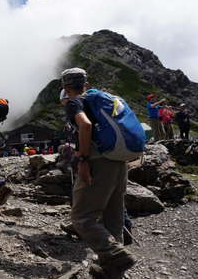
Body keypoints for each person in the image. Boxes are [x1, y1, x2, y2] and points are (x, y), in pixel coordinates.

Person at [62, 68, 136, 278]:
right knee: (114, 215)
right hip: (118, 161)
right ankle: (111, 269)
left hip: (98, 161)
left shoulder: (75, 101)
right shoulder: (105, 99)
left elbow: (85, 125)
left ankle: (114, 254)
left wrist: (83, 160)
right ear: (86, 82)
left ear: (66, 87)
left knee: (82, 217)